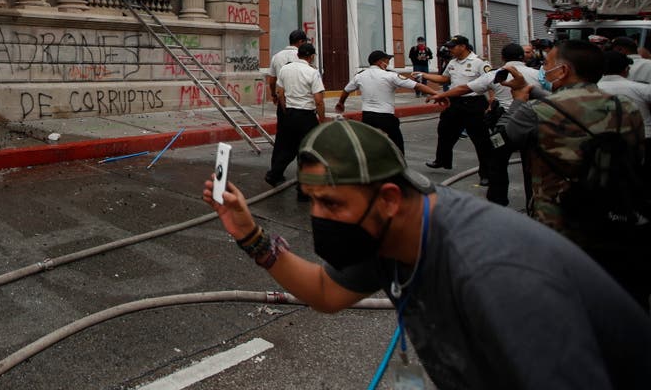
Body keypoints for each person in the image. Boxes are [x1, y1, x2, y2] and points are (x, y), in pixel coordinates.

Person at [203, 119, 651, 388]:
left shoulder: (493, 274)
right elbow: (325, 292)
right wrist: (250, 235)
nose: (319, 216)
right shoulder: (388, 233)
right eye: (314, 201)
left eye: (333, 204)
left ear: (390, 198)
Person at [501, 39, 650, 310]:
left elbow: (506, 140)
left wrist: (519, 101)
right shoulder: (625, 108)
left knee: (564, 297)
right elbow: (637, 155)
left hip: (557, 218)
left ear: (564, 70)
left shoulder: (537, 111)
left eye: (547, 64)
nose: (544, 69)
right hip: (615, 213)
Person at [430, 43, 540, 206]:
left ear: (502, 57)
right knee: (532, 165)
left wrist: (442, 95)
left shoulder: (495, 75)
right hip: (532, 122)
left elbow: (464, 89)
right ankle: (534, 202)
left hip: (505, 123)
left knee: (497, 162)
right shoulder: (538, 74)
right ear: (523, 57)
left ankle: (498, 201)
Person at [412, 35, 491, 178]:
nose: (450, 50)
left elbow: (492, 82)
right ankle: (442, 160)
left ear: (463, 46)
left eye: (452, 47)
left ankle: (486, 174)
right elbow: (445, 78)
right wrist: (425, 75)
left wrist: (492, 103)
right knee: (444, 130)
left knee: (480, 140)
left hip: (474, 104)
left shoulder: (479, 62)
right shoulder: (452, 62)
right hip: (455, 102)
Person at [335, 49, 440, 153]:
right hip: (385, 117)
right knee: (396, 147)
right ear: (380, 62)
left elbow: (346, 90)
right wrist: (437, 94)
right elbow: (417, 86)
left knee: (369, 146)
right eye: (387, 61)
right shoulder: (390, 76)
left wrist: (341, 103)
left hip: (367, 117)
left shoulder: (360, 76)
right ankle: (399, 166)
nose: (388, 64)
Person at [266, 42, 325, 197]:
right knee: (306, 152)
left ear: (298, 54)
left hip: (290, 114)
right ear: (311, 57)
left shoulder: (285, 69)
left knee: (287, 147)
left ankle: (274, 173)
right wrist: (322, 119)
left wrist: (286, 110)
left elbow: (280, 93)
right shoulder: (313, 72)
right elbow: (318, 100)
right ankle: (303, 189)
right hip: (306, 116)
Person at [598, 51, 651, 136]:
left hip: (603, 140)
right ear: (627, 69)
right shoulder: (640, 88)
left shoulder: (592, 89)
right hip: (642, 137)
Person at [266, 29, 307, 119]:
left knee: (283, 130)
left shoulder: (276, 56)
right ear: (300, 42)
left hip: (282, 99)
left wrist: (273, 95)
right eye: (305, 42)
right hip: (300, 101)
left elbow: (272, 80)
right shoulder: (303, 56)